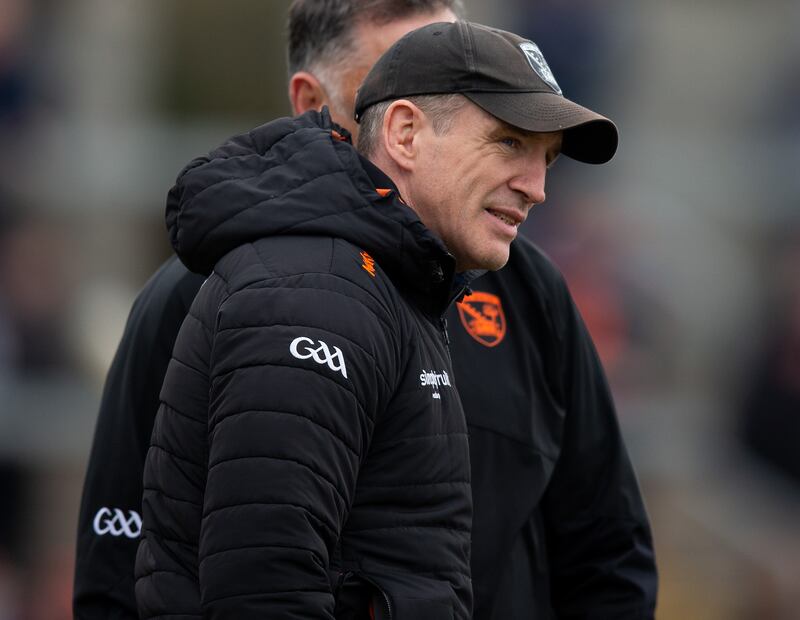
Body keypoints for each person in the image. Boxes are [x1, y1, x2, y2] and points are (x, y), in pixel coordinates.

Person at [73, 3, 657, 620]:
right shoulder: (295, 290)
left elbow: (607, 554)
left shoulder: (508, 290)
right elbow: (253, 584)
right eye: (507, 138)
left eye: (547, 157)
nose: (536, 186)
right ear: (399, 128)